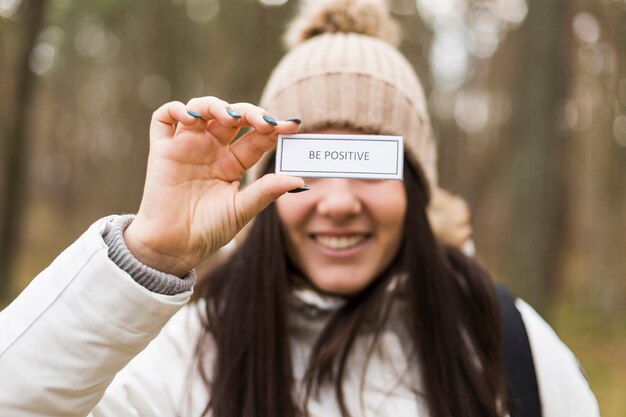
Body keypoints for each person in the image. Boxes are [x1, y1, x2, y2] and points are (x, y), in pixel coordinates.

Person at [0, 1, 598, 417]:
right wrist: (149, 253)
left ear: (417, 191)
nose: (336, 202)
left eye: (367, 165)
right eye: (308, 168)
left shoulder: (502, 340)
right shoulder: (193, 347)